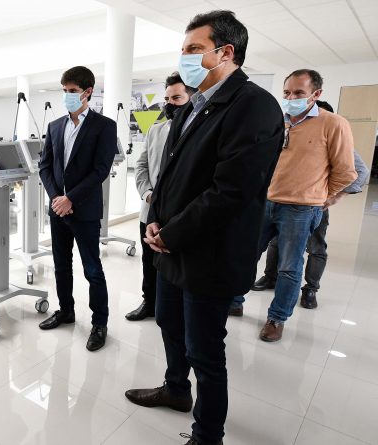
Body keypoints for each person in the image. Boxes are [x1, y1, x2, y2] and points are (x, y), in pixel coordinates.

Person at [123, 11, 284, 445]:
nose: (185, 57)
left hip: (210, 255)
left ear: (225, 52)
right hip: (172, 247)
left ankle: (207, 434)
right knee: (170, 326)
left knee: (206, 351)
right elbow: (170, 175)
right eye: (183, 49)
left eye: (194, 49)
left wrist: (170, 234)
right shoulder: (193, 106)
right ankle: (176, 389)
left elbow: (230, 192)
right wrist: (155, 219)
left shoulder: (254, 106)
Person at [230, 70, 356, 342]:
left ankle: (277, 318)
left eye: (299, 93)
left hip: (301, 209)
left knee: (289, 267)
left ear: (316, 94)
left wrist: (324, 196)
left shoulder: (333, 124)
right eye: (287, 92)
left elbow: (346, 172)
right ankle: (235, 300)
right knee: (246, 254)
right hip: (265, 202)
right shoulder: (278, 121)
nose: (291, 98)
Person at [249, 100, 370, 310]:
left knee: (314, 248)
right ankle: (270, 277)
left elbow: (359, 172)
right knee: (274, 244)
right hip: (278, 202)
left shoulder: (334, 135)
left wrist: (332, 196)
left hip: (313, 205)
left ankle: (310, 289)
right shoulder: (288, 130)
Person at [38, 66, 117, 352]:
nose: (67, 96)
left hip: (84, 210)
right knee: (61, 265)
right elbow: (45, 166)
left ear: (87, 92)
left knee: (92, 269)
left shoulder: (104, 126)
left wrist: (70, 198)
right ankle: (66, 311)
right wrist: (57, 198)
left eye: (72, 91)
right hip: (58, 210)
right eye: (64, 91)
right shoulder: (55, 126)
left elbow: (100, 170)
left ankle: (100, 323)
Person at [126, 72, 194, 322]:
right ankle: (150, 302)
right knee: (149, 260)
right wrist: (147, 194)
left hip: (180, 214)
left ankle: (174, 309)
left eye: (176, 98)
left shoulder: (196, 133)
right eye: (167, 98)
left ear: (191, 99)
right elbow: (141, 165)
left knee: (176, 262)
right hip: (150, 210)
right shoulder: (155, 130)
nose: (170, 104)